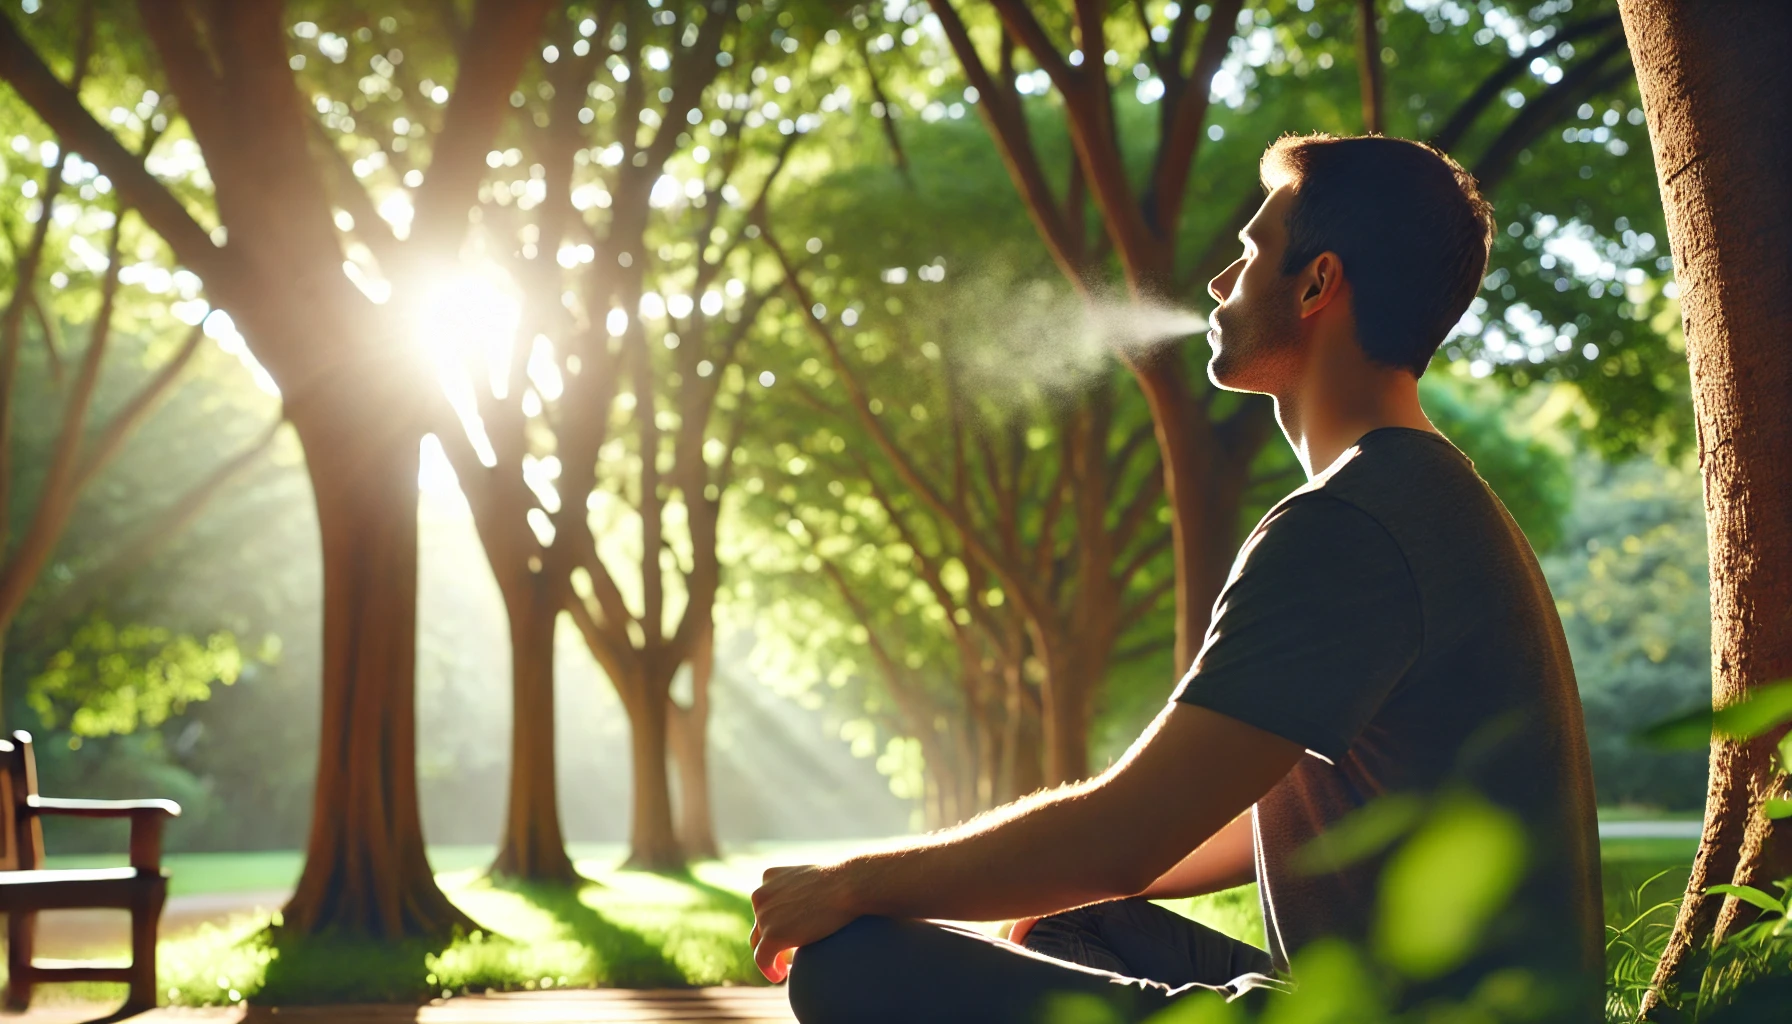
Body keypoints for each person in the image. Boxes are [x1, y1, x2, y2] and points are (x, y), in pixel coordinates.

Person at [749, 133, 1603, 1023]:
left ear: (1316, 284)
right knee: (1067, 919)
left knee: (850, 963)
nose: (1216, 285)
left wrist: (851, 884)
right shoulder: (1422, 490)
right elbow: (1242, 820)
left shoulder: (1349, 523)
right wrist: (1036, 881)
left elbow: (1128, 833)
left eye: (1246, 255)